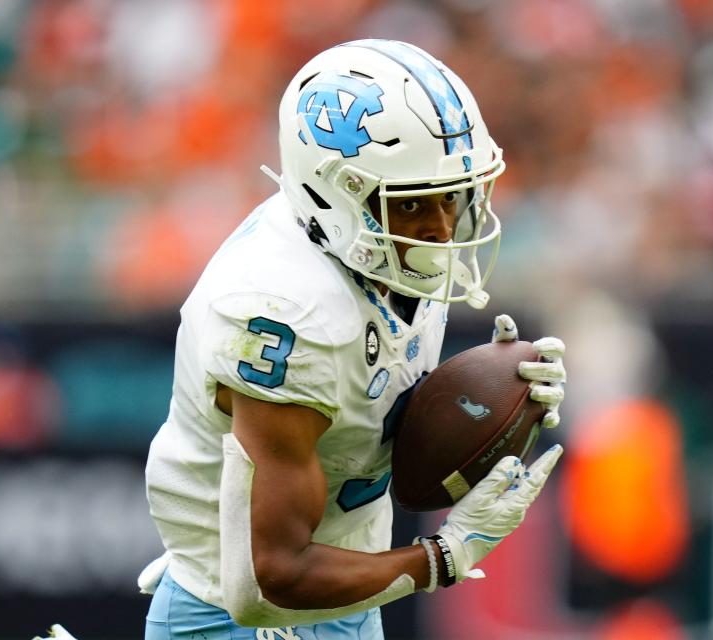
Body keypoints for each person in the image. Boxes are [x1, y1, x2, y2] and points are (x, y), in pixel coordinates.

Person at [35, 38, 566, 640]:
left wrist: (491, 401)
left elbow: (365, 414)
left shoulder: (362, 243)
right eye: (416, 204)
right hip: (248, 618)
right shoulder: (285, 312)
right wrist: (445, 556)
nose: (442, 228)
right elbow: (269, 583)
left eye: (452, 196)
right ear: (339, 195)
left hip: (344, 590)